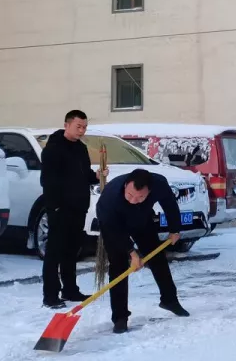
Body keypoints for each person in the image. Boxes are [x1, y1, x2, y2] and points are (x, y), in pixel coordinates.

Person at [96, 169, 189, 334]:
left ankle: (169, 300)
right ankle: (120, 317)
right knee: (118, 267)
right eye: (130, 195)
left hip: (141, 220)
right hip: (114, 226)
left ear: (149, 191)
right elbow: (113, 230)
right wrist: (132, 253)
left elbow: (170, 204)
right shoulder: (109, 198)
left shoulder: (159, 184)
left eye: (140, 197)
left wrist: (175, 229)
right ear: (126, 186)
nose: (133, 200)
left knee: (158, 258)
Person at [39, 110, 105, 309]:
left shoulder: (81, 148)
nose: (82, 130)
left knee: (71, 250)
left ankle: (70, 289)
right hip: (60, 208)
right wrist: (55, 206)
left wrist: (98, 175)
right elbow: (47, 181)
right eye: (78, 126)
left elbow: (84, 175)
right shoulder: (53, 149)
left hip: (79, 206)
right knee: (55, 251)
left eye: (84, 127)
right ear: (67, 124)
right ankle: (50, 294)